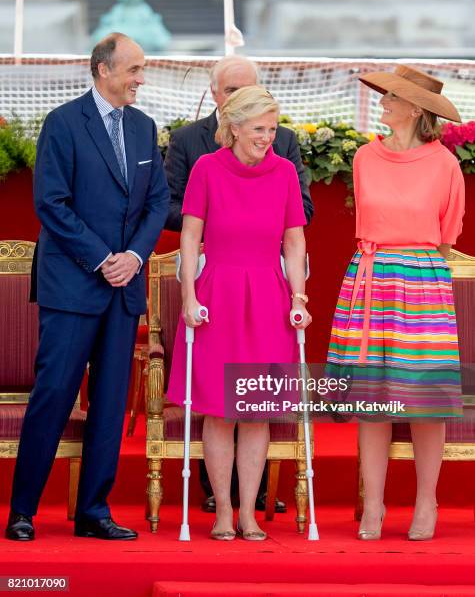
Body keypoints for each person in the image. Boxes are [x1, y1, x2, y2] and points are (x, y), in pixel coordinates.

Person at [6, 33, 169, 541]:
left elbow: (157, 201)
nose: (141, 79)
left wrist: (135, 257)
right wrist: (103, 260)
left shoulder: (144, 127)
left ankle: (93, 512)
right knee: (54, 394)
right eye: (134, 69)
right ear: (103, 69)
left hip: (123, 289)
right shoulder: (62, 122)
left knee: (111, 402)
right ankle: (23, 511)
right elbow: (51, 204)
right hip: (73, 286)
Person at [164, 54, 314, 514]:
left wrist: (299, 297)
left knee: (256, 411)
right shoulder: (207, 168)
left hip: (268, 297)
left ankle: (249, 512)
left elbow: (294, 242)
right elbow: (190, 238)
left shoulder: (285, 171)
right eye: (259, 130)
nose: (268, 139)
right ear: (233, 128)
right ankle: (224, 510)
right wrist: (189, 295)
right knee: (220, 410)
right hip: (218, 295)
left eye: (272, 129)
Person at [325, 65, 464, 540]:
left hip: (422, 280)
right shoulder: (365, 157)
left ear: (415, 109)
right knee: (372, 400)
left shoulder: (444, 163)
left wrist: (413, 259)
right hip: (371, 278)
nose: (383, 103)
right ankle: (374, 507)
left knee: (425, 400)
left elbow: (449, 231)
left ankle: (427, 502)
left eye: (391, 98)